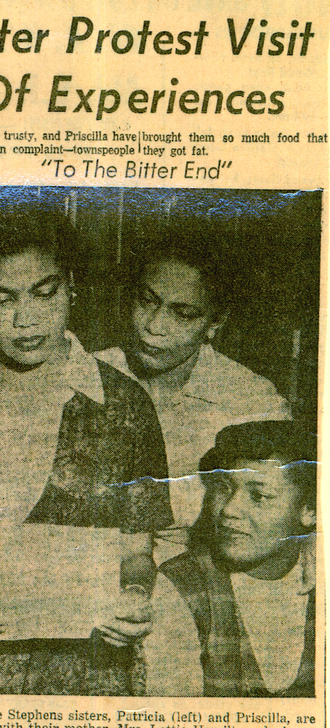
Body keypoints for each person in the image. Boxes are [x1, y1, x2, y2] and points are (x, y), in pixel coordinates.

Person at [0, 204, 172, 695]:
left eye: (44, 293)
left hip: (90, 677)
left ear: (72, 286)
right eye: (0, 299)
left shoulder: (122, 403)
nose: (24, 320)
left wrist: (135, 596)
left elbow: (136, 548)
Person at [96, 232, 290, 542]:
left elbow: (282, 510)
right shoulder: (85, 375)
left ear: (215, 323)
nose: (154, 326)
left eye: (183, 314)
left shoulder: (252, 402)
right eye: (147, 301)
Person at [145, 421, 317, 697]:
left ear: (309, 510)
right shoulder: (181, 584)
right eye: (224, 488)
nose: (230, 510)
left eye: (259, 496)